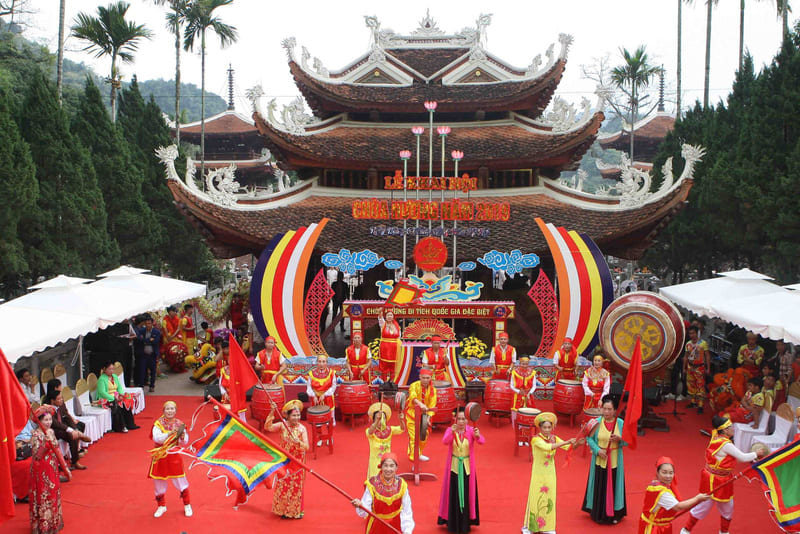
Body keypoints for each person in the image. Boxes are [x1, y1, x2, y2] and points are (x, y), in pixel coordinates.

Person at [680, 415, 766, 534]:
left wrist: (753, 456)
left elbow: (738, 458)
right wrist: (756, 453)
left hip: (714, 477)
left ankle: (688, 530)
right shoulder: (726, 444)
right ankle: (718, 531)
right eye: (731, 427)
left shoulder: (716, 438)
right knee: (720, 506)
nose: (733, 429)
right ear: (725, 430)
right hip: (719, 479)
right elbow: (742, 457)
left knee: (709, 505)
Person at [522, 412, 576, 534]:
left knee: (550, 497)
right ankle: (530, 526)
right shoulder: (535, 439)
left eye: (549, 427)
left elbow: (568, 448)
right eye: (544, 427)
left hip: (551, 473)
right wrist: (567, 441)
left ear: (552, 427)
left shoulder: (554, 438)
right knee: (536, 496)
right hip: (538, 473)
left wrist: (577, 442)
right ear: (540, 428)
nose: (547, 430)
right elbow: (548, 447)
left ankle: (548, 527)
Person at [438, 407, 485, 533]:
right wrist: (451, 433)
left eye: (463, 419)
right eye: (458, 419)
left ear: (467, 420)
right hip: (453, 467)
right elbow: (445, 442)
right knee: (453, 494)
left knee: (466, 494)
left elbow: (481, 442)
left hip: (467, 467)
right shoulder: (450, 430)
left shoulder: (471, 431)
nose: (461, 421)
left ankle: (466, 522)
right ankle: (452, 522)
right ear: (455, 419)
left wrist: (478, 435)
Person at [582, 394, 627, 524]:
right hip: (599, 459)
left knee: (613, 484)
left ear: (615, 410)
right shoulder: (595, 422)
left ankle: (614, 514)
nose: (606, 412)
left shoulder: (620, 423)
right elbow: (589, 438)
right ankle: (598, 513)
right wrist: (597, 450)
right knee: (600, 484)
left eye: (609, 409)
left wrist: (620, 440)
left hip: (614, 460)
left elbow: (628, 442)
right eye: (604, 409)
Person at [638, 458, 709, 534]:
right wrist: (697, 498)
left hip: (657, 523)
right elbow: (678, 507)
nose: (668, 476)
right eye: (664, 473)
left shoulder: (656, 483)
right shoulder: (662, 492)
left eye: (671, 473)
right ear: (657, 473)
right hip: (655, 529)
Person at [265, 400, 309, 519]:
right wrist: (272, 411)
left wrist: (298, 442)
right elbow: (268, 427)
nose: (297, 418)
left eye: (298, 415)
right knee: (283, 484)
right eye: (294, 415)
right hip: (284, 461)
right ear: (288, 416)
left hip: (297, 462)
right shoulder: (282, 426)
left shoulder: (302, 429)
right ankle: (283, 510)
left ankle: (295, 511)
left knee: (295, 486)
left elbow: (307, 447)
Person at [352, 452, 414, 534]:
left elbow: (407, 510)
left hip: (395, 525)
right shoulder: (372, 484)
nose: (388, 469)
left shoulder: (401, 485)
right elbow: (365, 509)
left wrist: (407, 530)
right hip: (376, 525)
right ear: (381, 466)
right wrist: (360, 505)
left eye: (392, 466)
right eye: (385, 465)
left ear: (396, 468)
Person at [149, 401, 191, 518]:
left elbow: (185, 442)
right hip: (160, 455)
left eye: (172, 409)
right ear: (163, 410)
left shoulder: (179, 424)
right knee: (159, 482)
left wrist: (182, 437)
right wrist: (168, 434)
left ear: (176, 411)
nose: (170, 411)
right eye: (167, 409)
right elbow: (156, 438)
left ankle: (187, 504)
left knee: (180, 480)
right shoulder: (158, 424)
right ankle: (161, 506)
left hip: (174, 455)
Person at [29, 406, 63, 534]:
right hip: (40, 468)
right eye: (45, 420)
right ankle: (42, 524)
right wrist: (45, 443)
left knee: (53, 492)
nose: (48, 422)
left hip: (51, 466)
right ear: (39, 421)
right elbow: (36, 455)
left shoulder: (51, 431)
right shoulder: (35, 434)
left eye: (50, 420)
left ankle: (53, 521)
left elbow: (57, 448)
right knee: (42, 494)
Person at [44, 391, 90, 470]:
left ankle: (75, 462)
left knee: (74, 434)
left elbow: (67, 417)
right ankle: (80, 435)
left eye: (62, 398)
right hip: (53, 430)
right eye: (59, 399)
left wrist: (74, 429)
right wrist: (69, 430)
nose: (62, 400)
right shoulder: (48, 409)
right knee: (71, 434)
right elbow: (55, 423)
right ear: (52, 401)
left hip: (63, 427)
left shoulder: (61, 405)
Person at [96, 361, 138, 432]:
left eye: (113, 369)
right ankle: (120, 426)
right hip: (106, 399)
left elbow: (119, 387)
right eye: (109, 369)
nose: (111, 371)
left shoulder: (114, 376)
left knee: (126, 402)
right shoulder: (101, 379)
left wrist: (121, 395)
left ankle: (130, 424)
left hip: (116, 396)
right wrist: (113, 398)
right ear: (104, 369)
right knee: (116, 405)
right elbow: (102, 392)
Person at [366, 403, 405, 479]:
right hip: (375, 462)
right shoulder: (371, 432)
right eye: (378, 419)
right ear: (374, 419)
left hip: (387, 462)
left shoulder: (390, 429)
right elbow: (370, 432)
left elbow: (402, 429)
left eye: (383, 419)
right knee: (375, 481)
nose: (381, 421)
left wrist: (401, 420)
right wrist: (377, 421)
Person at [405, 369, 437, 462]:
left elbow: (432, 405)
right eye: (423, 378)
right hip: (412, 414)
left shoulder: (433, 390)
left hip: (424, 416)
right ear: (420, 377)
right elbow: (413, 397)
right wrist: (420, 404)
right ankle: (414, 459)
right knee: (413, 437)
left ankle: (419, 453)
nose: (425, 380)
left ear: (431, 378)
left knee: (424, 436)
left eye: (428, 378)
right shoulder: (414, 385)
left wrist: (428, 418)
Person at [684, 326, 709, 414]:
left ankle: (700, 405)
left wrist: (708, 368)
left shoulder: (703, 343)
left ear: (697, 333)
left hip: (700, 367)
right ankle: (693, 402)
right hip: (690, 366)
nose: (691, 335)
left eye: (693, 333)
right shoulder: (688, 344)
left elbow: (707, 356)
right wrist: (684, 368)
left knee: (700, 386)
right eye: (690, 333)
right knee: (691, 384)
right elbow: (686, 356)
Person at [307, 354, 337, 425]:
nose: (321, 364)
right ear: (317, 362)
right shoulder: (312, 374)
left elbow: (333, 386)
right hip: (316, 398)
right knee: (317, 421)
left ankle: (330, 424)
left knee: (330, 418)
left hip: (327, 397)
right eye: (319, 361)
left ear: (326, 363)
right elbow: (309, 387)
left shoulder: (331, 373)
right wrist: (313, 395)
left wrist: (325, 394)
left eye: (324, 362)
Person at [134, 315, 161, 392]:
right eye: (146, 323)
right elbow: (139, 340)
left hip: (152, 355)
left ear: (152, 324)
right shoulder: (141, 331)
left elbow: (155, 341)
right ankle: (141, 385)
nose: (148, 325)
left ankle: (152, 385)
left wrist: (145, 340)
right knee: (142, 370)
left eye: (149, 323)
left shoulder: (156, 332)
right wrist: (149, 340)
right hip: (143, 355)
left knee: (153, 371)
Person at [378, 307, 403, 382]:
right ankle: (384, 382)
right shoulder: (383, 324)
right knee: (384, 365)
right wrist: (380, 312)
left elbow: (399, 337)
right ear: (386, 317)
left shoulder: (397, 326)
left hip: (394, 348)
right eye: (388, 315)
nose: (389, 317)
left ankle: (392, 381)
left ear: (393, 317)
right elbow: (380, 318)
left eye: (391, 315)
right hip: (385, 348)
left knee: (393, 365)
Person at [510, 357, 536, 424]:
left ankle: (527, 424)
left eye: (526, 364)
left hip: (528, 394)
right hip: (517, 394)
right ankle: (515, 424)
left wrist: (530, 393)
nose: (524, 366)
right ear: (519, 363)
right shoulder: (514, 372)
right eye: (523, 364)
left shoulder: (532, 373)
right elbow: (511, 385)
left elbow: (534, 386)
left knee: (529, 410)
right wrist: (518, 391)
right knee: (516, 410)